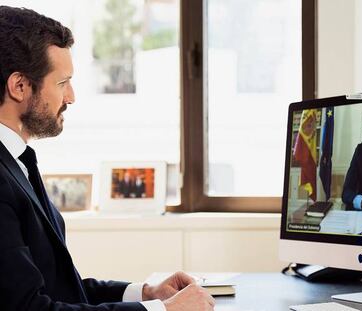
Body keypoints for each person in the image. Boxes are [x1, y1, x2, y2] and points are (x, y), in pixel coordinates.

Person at [0, 6, 214, 311]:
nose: (71, 96)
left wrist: (148, 293)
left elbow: (62, 289)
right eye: (62, 83)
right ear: (19, 86)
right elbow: (30, 308)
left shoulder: (17, 163)